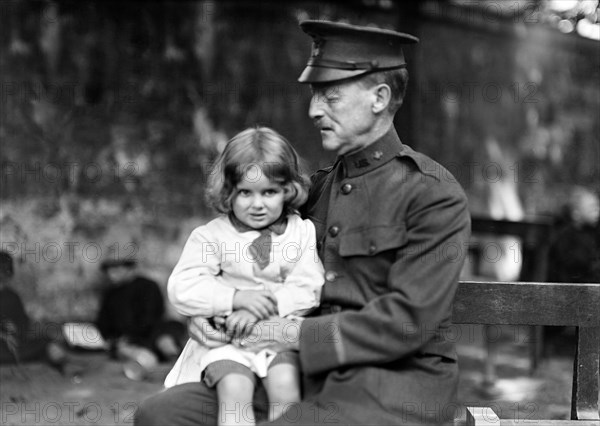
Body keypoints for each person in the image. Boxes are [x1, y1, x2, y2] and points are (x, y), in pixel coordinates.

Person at [136, 20, 470, 425]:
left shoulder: (431, 193)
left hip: (392, 390)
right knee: (161, 415)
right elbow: (234, 255)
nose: (314, 110)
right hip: (302, 376)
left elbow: (407, 323)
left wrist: (286, 334)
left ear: (379, 98)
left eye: (330, 96)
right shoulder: (310, 190)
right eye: (314, 94)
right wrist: (210, 315)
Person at [163, 127, 324, 425]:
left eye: (270, 192)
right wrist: (235, 299)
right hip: (227, 340)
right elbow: (183, 287)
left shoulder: (300, 232)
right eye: (245, 193)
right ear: (228, 192)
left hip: (277, 335)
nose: (258, 204)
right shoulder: (212, 236)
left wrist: (264, 307)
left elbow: (309, 285)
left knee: (286, 385)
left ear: (288, 190)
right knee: (235, 389)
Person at [96, 258, 186, 380]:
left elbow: (151, 317)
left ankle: (178, 364)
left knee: (166, 342)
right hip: (130, 342)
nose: (112, 274)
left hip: (154, 333)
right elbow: (103, 324)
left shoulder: (148, 286)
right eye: (109, 271)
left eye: (117, 269)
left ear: (130, 269)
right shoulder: (110, 294)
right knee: (137, 355)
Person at [0, 250, 69, 371]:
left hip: (8, 346)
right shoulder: (10, 296)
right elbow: (22, 328)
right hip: (8, 350)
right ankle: (58, 359)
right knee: (45, 343)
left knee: (45, 339)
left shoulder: (11, 296)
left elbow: (21, 325)